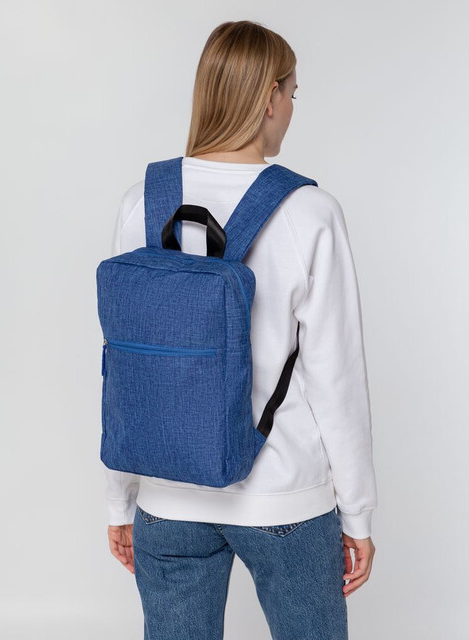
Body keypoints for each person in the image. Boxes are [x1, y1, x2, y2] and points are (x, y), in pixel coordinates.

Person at [103, 19, 377, 640]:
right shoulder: (309, 213)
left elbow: (125, 368)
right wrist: (357, 514)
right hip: (285, 497)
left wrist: (120, 498)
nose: (292, 110)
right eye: (293, 94)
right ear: (269, 97)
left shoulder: (141, 203)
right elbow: (337, 378)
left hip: (167, 498)